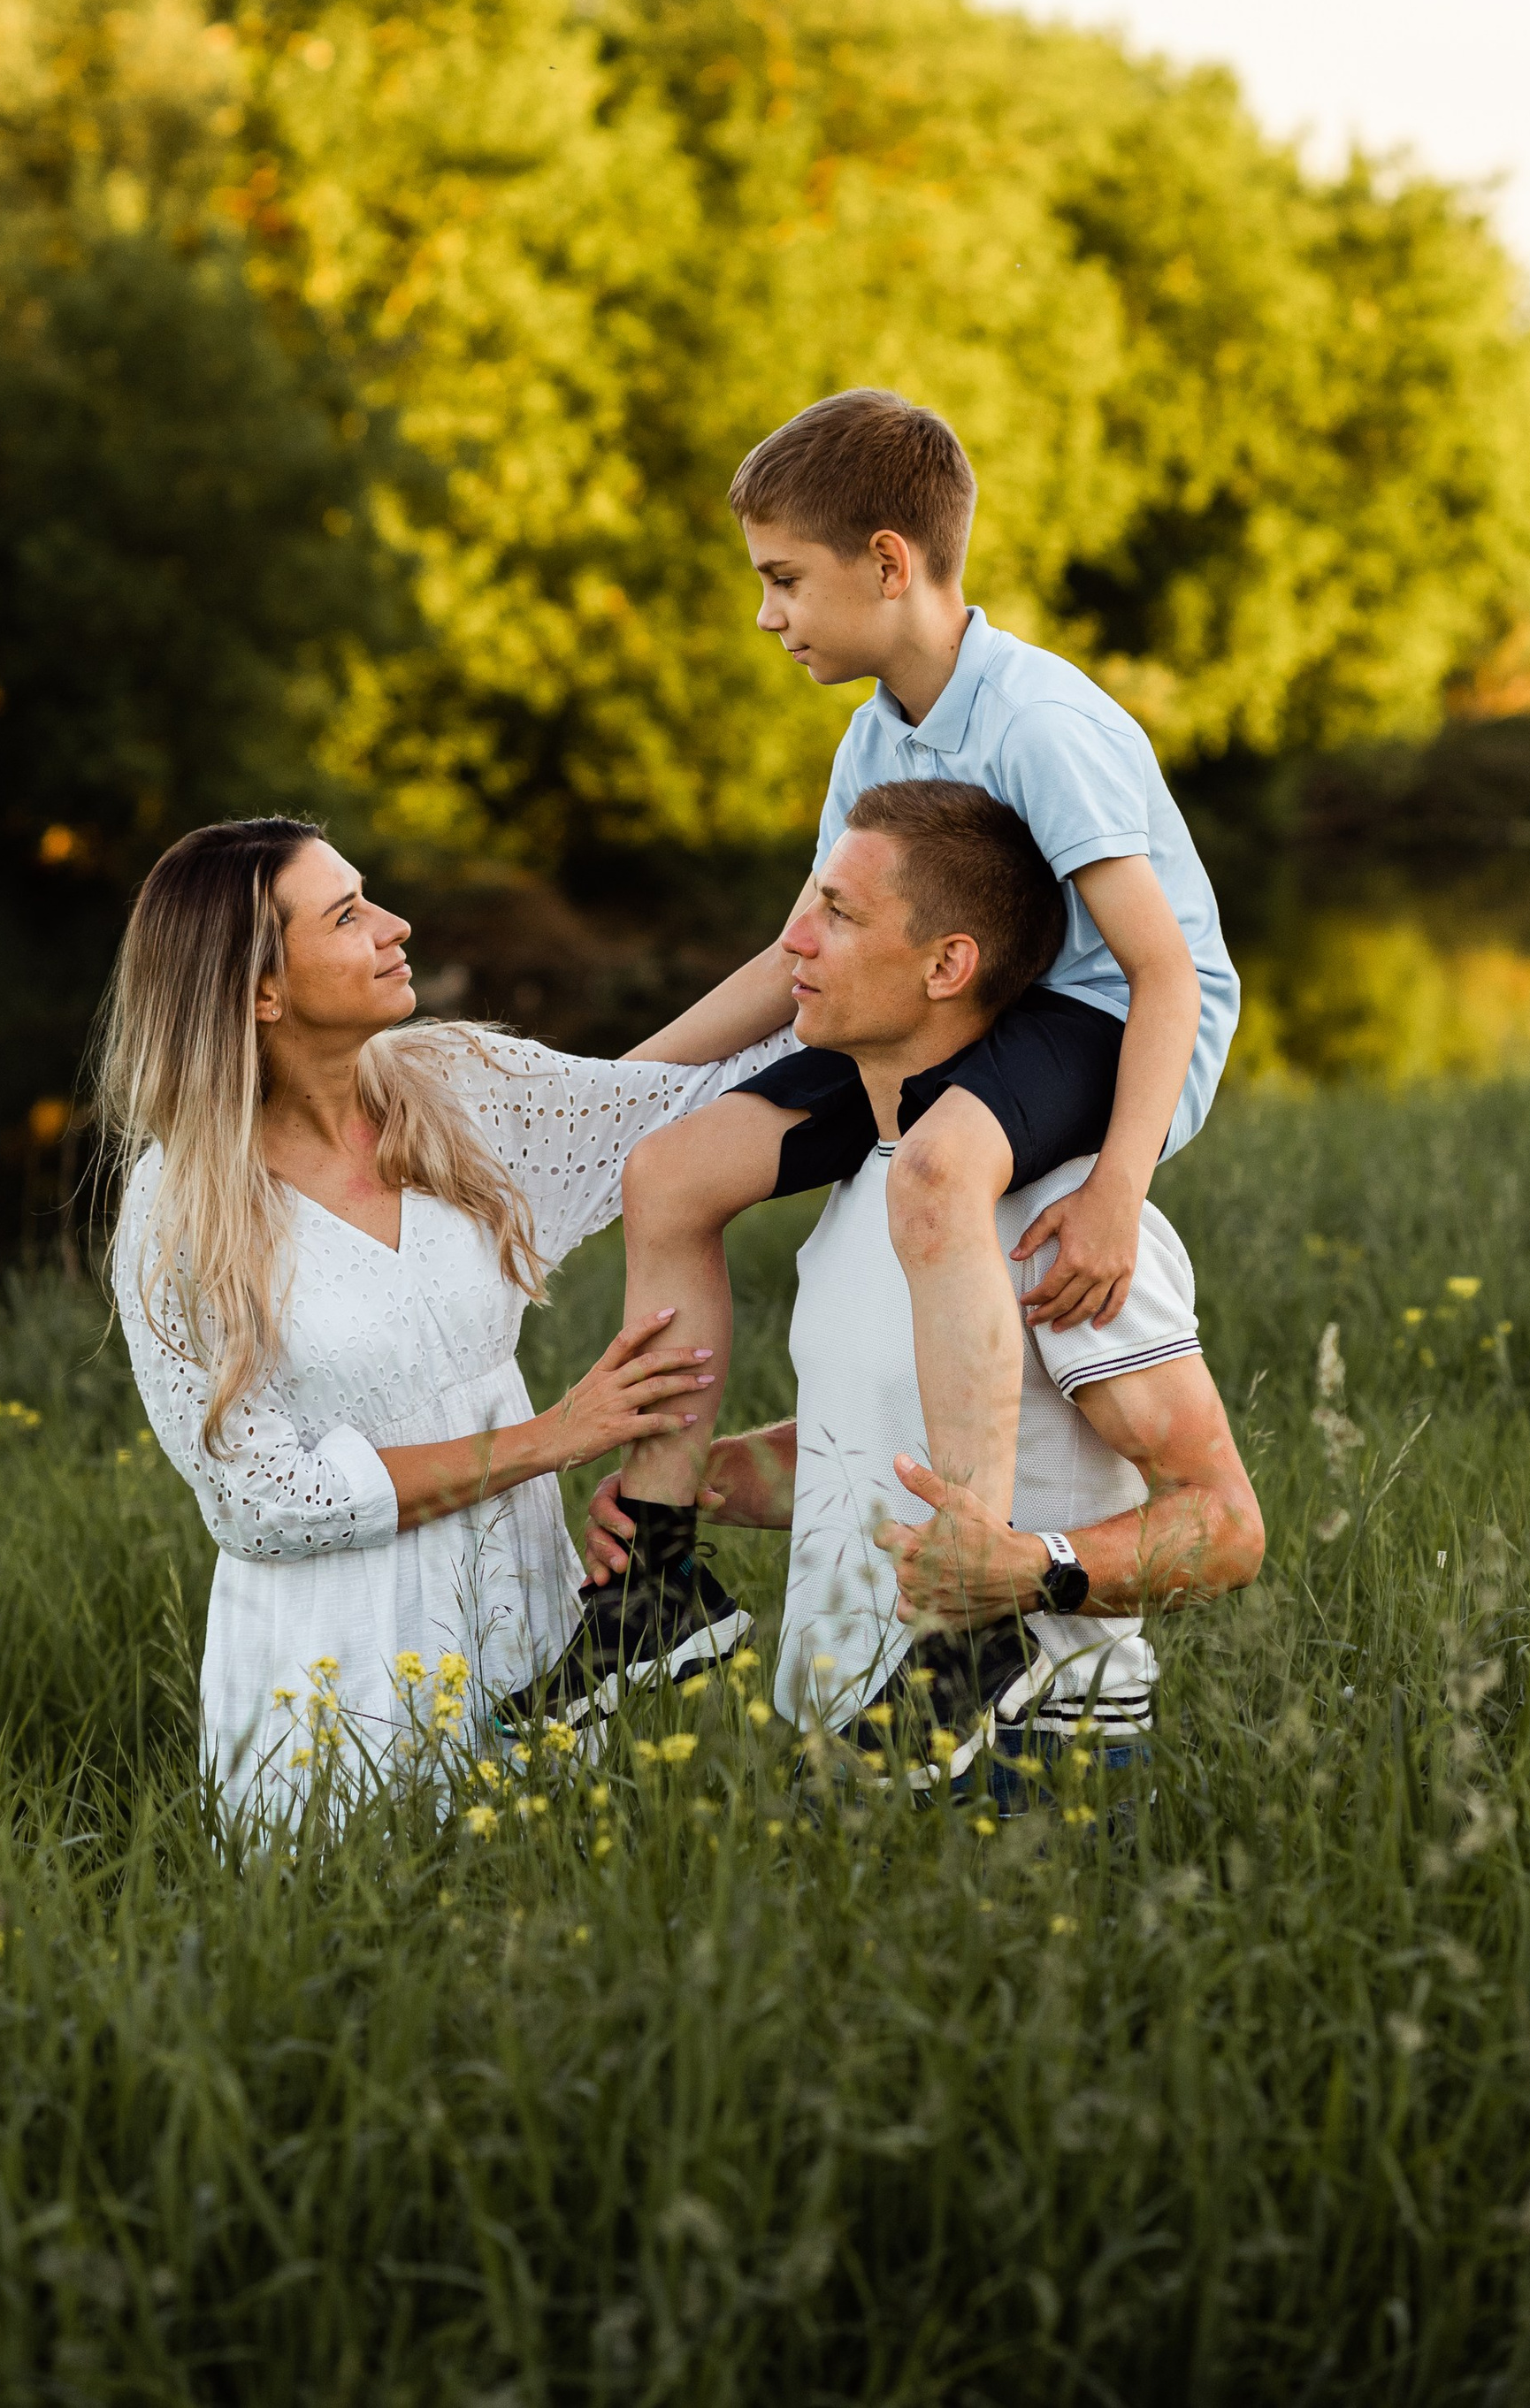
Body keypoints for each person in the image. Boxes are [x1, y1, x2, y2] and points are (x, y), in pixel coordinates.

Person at [526, 389, 1242, 1725]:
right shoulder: (875, 733)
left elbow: (1162, 968)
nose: (769, 614)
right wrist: (614, 1089)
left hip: (1103, 1013)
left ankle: (965, 1613)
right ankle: (658, 1586)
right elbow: (795, 956)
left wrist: (1119, 1188)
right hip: (953, 1004)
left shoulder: (1038, 722)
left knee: (940, 1171)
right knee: (672, 1170)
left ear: (890, 562)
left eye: (786, 578)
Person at [97, 814, 787, 1815]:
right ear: (260, 990)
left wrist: (843, 957)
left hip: (523, 1597)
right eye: (347, 915)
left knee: (540, 1919)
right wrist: (552, 1438)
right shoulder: (179, 1209)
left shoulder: (452, 1085)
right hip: (340, 1655)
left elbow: (665, 1101)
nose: (395, 924)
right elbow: (259, 1500)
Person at [580, 777, 1263, 1779]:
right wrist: (706, 1485)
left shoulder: (1052, 1210)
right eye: (808, 903)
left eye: (838, 915)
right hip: (846, 1746)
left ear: (948, 964)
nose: (794, 944)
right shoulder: (871, 1179)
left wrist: (1035, 1569)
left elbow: (1224, 1524)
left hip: (1035, 1759)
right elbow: (878, 1443)